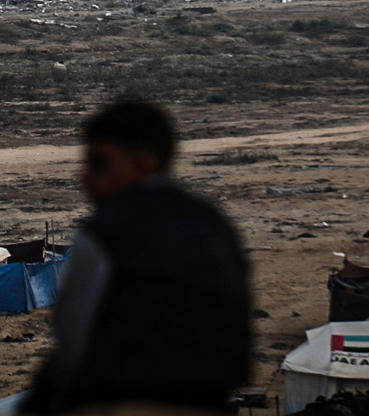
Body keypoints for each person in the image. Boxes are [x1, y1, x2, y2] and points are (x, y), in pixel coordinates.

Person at [22, 101, 251, 415]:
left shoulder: (105, 233)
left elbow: (72, 338)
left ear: (143, 163)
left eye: (98, 163)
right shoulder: (215, 224)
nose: (84, 176)